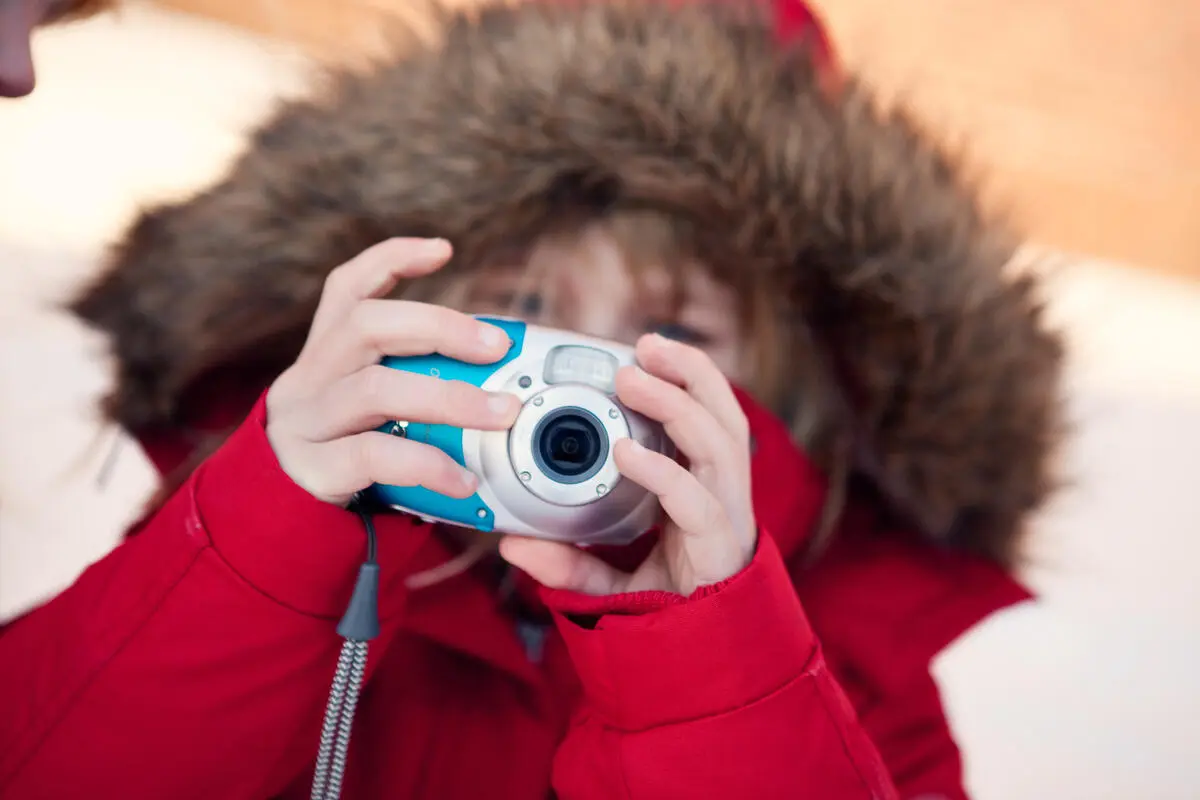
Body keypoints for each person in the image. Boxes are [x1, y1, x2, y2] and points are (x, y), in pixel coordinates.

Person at [0, 1, 1066, 798]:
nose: (585, 381)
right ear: (424, 312)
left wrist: (716, 655)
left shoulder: (849, 655)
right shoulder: (283, 528)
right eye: (523, 317)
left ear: (795, 395)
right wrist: (271, 530)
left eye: (676, 333)